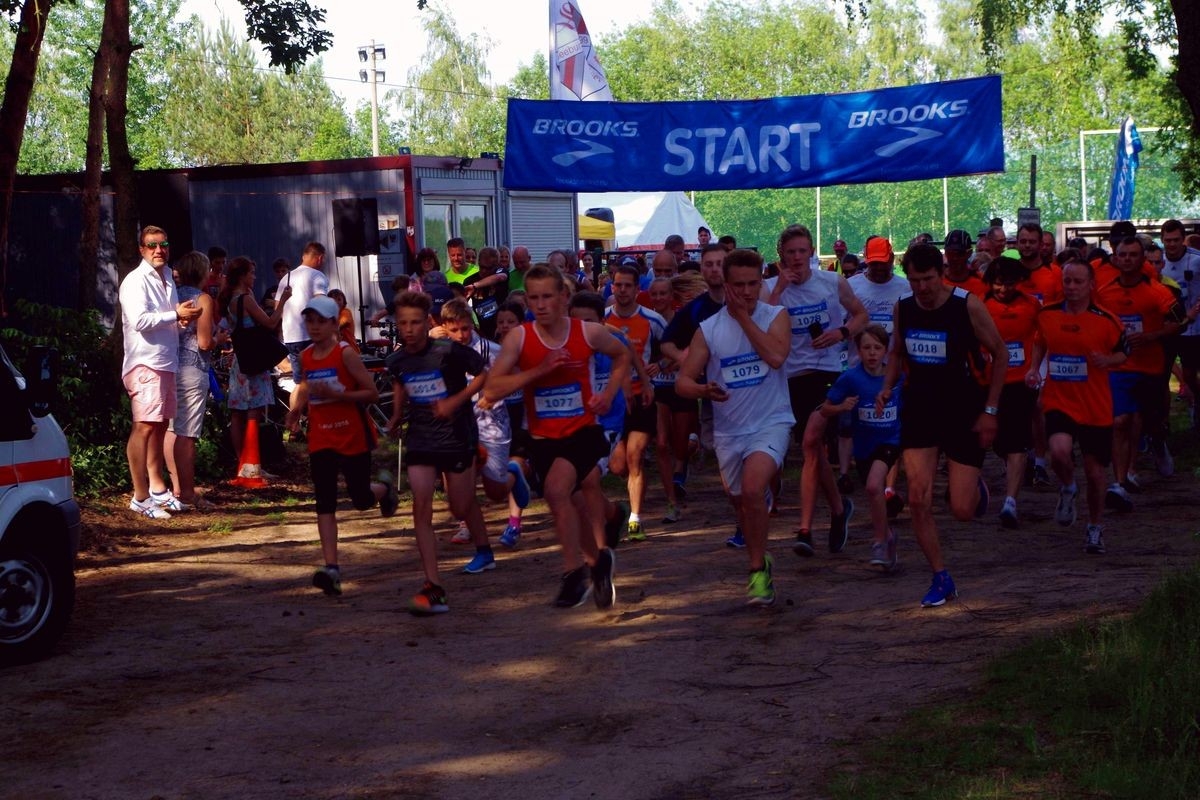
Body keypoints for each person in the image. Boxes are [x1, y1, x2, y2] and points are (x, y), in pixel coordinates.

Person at [484, 265, 630, 610]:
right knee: (574, 506)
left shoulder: (587, 332)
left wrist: (609, 394)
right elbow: (493, 386)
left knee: (555, 491)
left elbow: (622, 354)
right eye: (533, 297)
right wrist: (539, 370)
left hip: (582, 431)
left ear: (564, 297)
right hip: (543, 438)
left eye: (547, 296)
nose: (540, 304)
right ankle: (598, 562)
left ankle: (572, 574)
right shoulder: (519, 337)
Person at [877, 243, 1008, 607]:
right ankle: (940, 576)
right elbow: (897, 353)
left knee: (962, 510)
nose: (922, 287)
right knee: (918, 499)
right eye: (915, 280)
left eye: (928, 279)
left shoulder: (966, 305)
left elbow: (1000, 354)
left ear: (942, 274)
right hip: (920, 409)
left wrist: (991, 411)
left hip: (963, 408)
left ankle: (973, 489)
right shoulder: (903, 307)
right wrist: (887, 388)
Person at [676, 250, 793, 606]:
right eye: (738, 286)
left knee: (754, 489)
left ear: (762, 281)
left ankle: (757, 571)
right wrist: (701, 389)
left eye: (753, 284)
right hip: (729, 432)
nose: (746, 292)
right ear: (725, 285)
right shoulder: (708, 330)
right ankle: (762, 551)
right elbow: (682, 381)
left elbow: (775, 357)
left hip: (771, 421)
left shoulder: (776, 316)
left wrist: (744, 320)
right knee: (741, 501)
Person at [385, 291, 498, 613]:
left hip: (456, 436)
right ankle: (433, 586)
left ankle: (484, 548)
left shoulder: (448, 350)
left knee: (460, 506)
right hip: (421, 438)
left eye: (415, 323)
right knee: (421, 505)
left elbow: (482, 375)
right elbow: (399, 381)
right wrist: (395, 414)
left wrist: (453, 401)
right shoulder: (396, 359)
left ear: (428, 322)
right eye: (403, 323)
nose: (409, 329)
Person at [765, 224, 867, 558]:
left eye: (802, 251)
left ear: (812, 253)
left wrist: (841, 332)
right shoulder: (770, 288)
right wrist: (779, 289)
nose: (796, 258)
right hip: (790, 377)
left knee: (811, 442)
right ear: (781, 255)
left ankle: (805, 529)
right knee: (815, 452)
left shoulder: (831, 282)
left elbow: (861, 315)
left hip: (827, 373)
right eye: (790, 252)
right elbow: (761, 326)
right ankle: (839, 510)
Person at [286, 296, 396, 597]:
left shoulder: (346, 354)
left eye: (322, 321)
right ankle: (331, 568)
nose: (315, 327)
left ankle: (384, 488)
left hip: (352, 435)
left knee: (360, 499)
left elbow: (371, 393)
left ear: (335, 323)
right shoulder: (307, 355)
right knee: (325, 500)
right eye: (310, 321)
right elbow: (308, 387)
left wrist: (340, 394)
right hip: (321, 437)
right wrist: (296, 411)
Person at [1025, 259, 1127, 554]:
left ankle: (1094, 527)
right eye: (1067, 281)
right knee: (1058, 451)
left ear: (1090, 285)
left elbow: (1123, 353)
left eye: (1077, 282)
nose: (1070, 287)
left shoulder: (1106, 320)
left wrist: (1107, 361)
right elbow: (1040, 342)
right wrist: (1034, 368)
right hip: (1060, 400)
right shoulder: (1047, 314)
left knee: (1095, 474)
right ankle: (1068, 485)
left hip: (1095, 406)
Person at [1094, 235, 1185, 510]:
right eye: (1123, 255)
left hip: (1150, 366)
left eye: (1133, 255)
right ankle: (1119, 483)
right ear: (1116, 257)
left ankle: (1152, 448)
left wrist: (1151, 336)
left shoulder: (1157, 292)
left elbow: (1179, 322)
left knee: (1144, 422)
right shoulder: (1104, 290)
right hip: (1119, 366)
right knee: (1120, 420)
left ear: (1141, 259)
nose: (1127, 260)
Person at [120, 226, 203, 519]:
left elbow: (163, 319)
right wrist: (176, 315)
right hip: (145, 363)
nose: (159, 250)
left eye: (163, 244)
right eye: (152, 245)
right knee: (144, 425)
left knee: (158, 425)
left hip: (167, 363)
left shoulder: (167, 275)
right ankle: (140, 496)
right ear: (141, 249)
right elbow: (139, 320)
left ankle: (157, 490)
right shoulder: (134, 281)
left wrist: (178, 322)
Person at [820, 324, 902, 571]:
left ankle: (879, 542)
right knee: (872, 490)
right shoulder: (851, 378)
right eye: (866, 347)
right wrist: (842, 407)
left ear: (886, 351)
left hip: (891, 441)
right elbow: (825, 409)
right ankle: (887, 536)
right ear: (858, 350)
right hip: (864, 446)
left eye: (878, 348)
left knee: (874, 484)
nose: (872, 353)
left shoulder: (898, 377)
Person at [845, 237, 911, 517]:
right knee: (863, 425)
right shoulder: (853, 286)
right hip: (859, 369)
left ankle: (888, 488)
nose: (879, 270)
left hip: (892, 369)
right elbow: (842, 322)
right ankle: (862, 474)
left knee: (891, 425)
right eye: (873, 264)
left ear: (892, 260)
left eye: (883, 264)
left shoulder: (904, 288)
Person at [605, 264, 667, 539]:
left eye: (628, 285)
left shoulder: (653, 320)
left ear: (637, 289)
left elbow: (673, 348)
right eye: (617, 285)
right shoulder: (602, 320)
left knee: (635, 456)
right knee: (618, 465)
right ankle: (633, 486)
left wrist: (661, 364)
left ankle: (635, 518)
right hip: (614, 401)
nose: (622, 290)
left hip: (643, 395)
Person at [982, 257, 1041, 528]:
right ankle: (1014, 462)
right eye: (997, 284)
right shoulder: (982, 307)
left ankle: (1010, 502)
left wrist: (1035, 368)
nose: (1003, 290)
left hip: (1021, 381)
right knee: (1000, 442)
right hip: (991, 383)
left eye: (1008, 284)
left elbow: (1043, 338)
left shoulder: (1031, 305)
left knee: (1017, 439)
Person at [164, 251, 218, 511]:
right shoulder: (202, 298)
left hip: (169, 367)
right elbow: (205, 342)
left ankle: (175, 488)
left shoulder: (172, 296)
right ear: (202, 273)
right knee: (187, 434)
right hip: (193, 370)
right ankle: (187, 493)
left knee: (170, 430)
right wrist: (221, 339)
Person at [1159, 219, 1200, 430]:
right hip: (1168, 328)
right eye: (1167, 240)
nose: (1172, 245)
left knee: (1190, 373)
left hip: (1193, 326)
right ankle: (1162, 424)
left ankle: (1196, 402)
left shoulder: (1196, 259)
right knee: (1162, 375)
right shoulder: (1159, 262)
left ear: (1183, 239)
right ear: (1161, 240)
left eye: (1176, 240)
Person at [280, 241, 329, 380]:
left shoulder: (286, 277)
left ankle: (299, 402)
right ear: (319, 257)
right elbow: (321, 304)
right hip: (311, 336)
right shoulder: (317, 276)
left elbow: (278, 307)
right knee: (318, 379)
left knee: (300, 382)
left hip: (290, 337)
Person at [942, 230, 988, 299]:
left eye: (960, 253)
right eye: (950, 253)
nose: (955, 258)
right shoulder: (938, 280)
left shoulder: (982, 281)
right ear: (945, 253)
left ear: (969, 253)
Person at [327, 288, 360, 353]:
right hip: (337, 350)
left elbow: (342, 322)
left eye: (339, 299)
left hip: (350, 349)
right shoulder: (329, 315)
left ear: (344, 301)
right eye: (333, 300)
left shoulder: (346, 312)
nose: (336, 302)